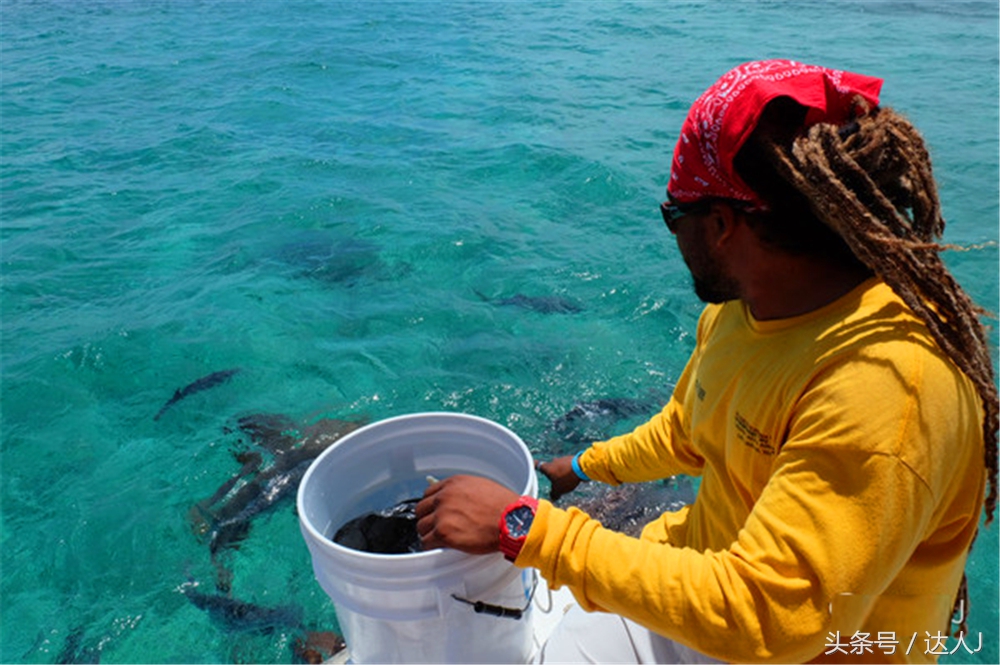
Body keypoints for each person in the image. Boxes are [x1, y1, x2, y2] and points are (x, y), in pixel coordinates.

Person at [415, 59, 998, 663]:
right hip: (709, 583)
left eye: (674, 215)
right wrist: (583, 466)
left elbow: (773, 620)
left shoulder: (890, 388)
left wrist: (525, 527)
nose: (672, 232)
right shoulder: (747, 307)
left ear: (722, 224)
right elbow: (690, 427)